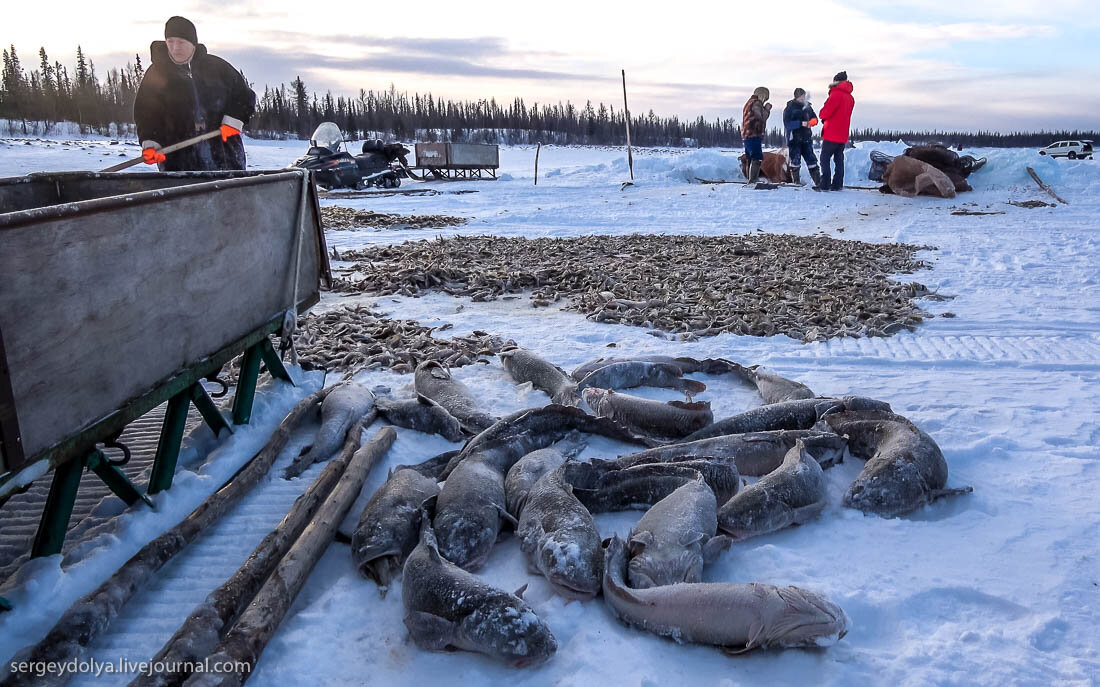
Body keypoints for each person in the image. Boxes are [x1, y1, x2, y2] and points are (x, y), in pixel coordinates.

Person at [134, 16, 256, 171]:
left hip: (225, 156)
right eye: (170, 41)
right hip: (178, 162)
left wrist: (233, 121)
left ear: (193, 43)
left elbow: (244, 96)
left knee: (230, 194)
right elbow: (146, 113)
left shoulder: (217, 67)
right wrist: (151, 142)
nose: (175, 47)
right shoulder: (156, 74)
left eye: (181, 42)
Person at [816, 71, 855, 191]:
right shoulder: (850, 97)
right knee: (839, 159)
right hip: (843, 134)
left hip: (832, 133)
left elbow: (825, 112)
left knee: (824, 158)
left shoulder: (836, 94)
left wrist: (823, 116)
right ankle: (838, 184)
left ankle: (825, 183)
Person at [783, 88, 820, 187]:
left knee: (812, 160)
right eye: (801, 97)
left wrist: (812, 122)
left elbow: (815, 119)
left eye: (804, 96)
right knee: (795, 161)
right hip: (794, 139)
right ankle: (796, 182)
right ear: (796, 97)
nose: (803, 98)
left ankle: (818, 182)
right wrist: (800, 123)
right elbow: (787, 124)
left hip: (806, 138)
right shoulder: (790, 108)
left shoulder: (808, 107)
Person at [741, 87, 772, 184]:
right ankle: (753, 180)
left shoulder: (748, 103)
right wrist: (767, 109)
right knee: (757, 157)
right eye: (765, 98)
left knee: (750, 157)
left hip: (746, 135)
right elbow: (761, 117)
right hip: (754, 133)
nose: (765, 100)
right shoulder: (756, 103)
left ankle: (750, 179)